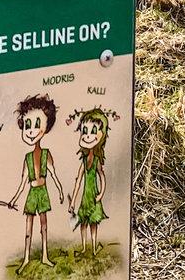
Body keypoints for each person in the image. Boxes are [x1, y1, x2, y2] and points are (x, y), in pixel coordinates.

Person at [7, 95, 65, 267]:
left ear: (47, 127)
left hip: (43, 191)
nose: (31, 131)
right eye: (27, 125)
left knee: (44, 226)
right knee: (28, 226)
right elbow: (23, 181)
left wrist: (61, 191)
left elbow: (53, 175)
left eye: (37, 124)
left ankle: (45, 256)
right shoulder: (27, 157)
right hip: (32, 192)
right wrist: (13, 200)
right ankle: (26, 258)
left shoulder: (47, 154)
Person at [66, 107, 116, 249]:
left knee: (94, 222)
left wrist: (101, 194)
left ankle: (93, 247)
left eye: (93, 131)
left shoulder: (96, 161)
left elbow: (102, 177)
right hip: (85, 197)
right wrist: (73, 202)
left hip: (93, 196)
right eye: (85, 131)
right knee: (83, 222)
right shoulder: (83, 161)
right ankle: (83, 247)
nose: (88, 136)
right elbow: (78, 181)